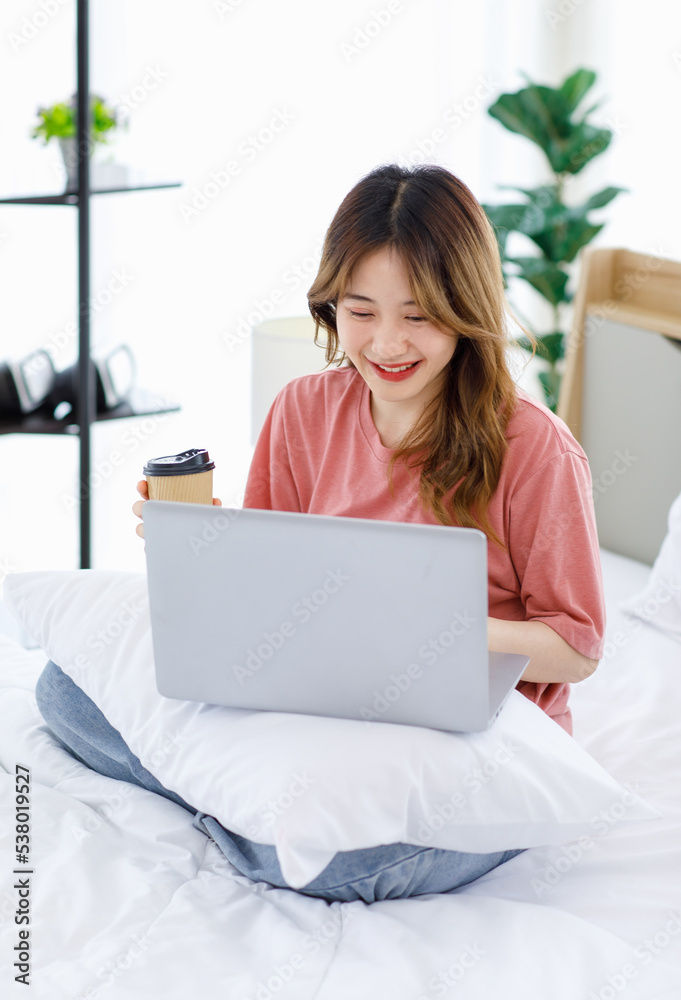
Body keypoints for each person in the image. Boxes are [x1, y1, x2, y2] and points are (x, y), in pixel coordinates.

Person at [35, 163, 605, 903]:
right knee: (63, 691)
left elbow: (576, 648)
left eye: (420, 314)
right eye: (360, 311)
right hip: (326, 699)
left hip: (470, 737)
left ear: (467, 309)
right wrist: (203, 546)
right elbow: (270, 590)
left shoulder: (535, 447)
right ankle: (239, 818)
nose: (387, 342)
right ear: (330, 303)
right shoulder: (302, 410)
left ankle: (233, 818)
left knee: (340, 868)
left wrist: (428, 632)